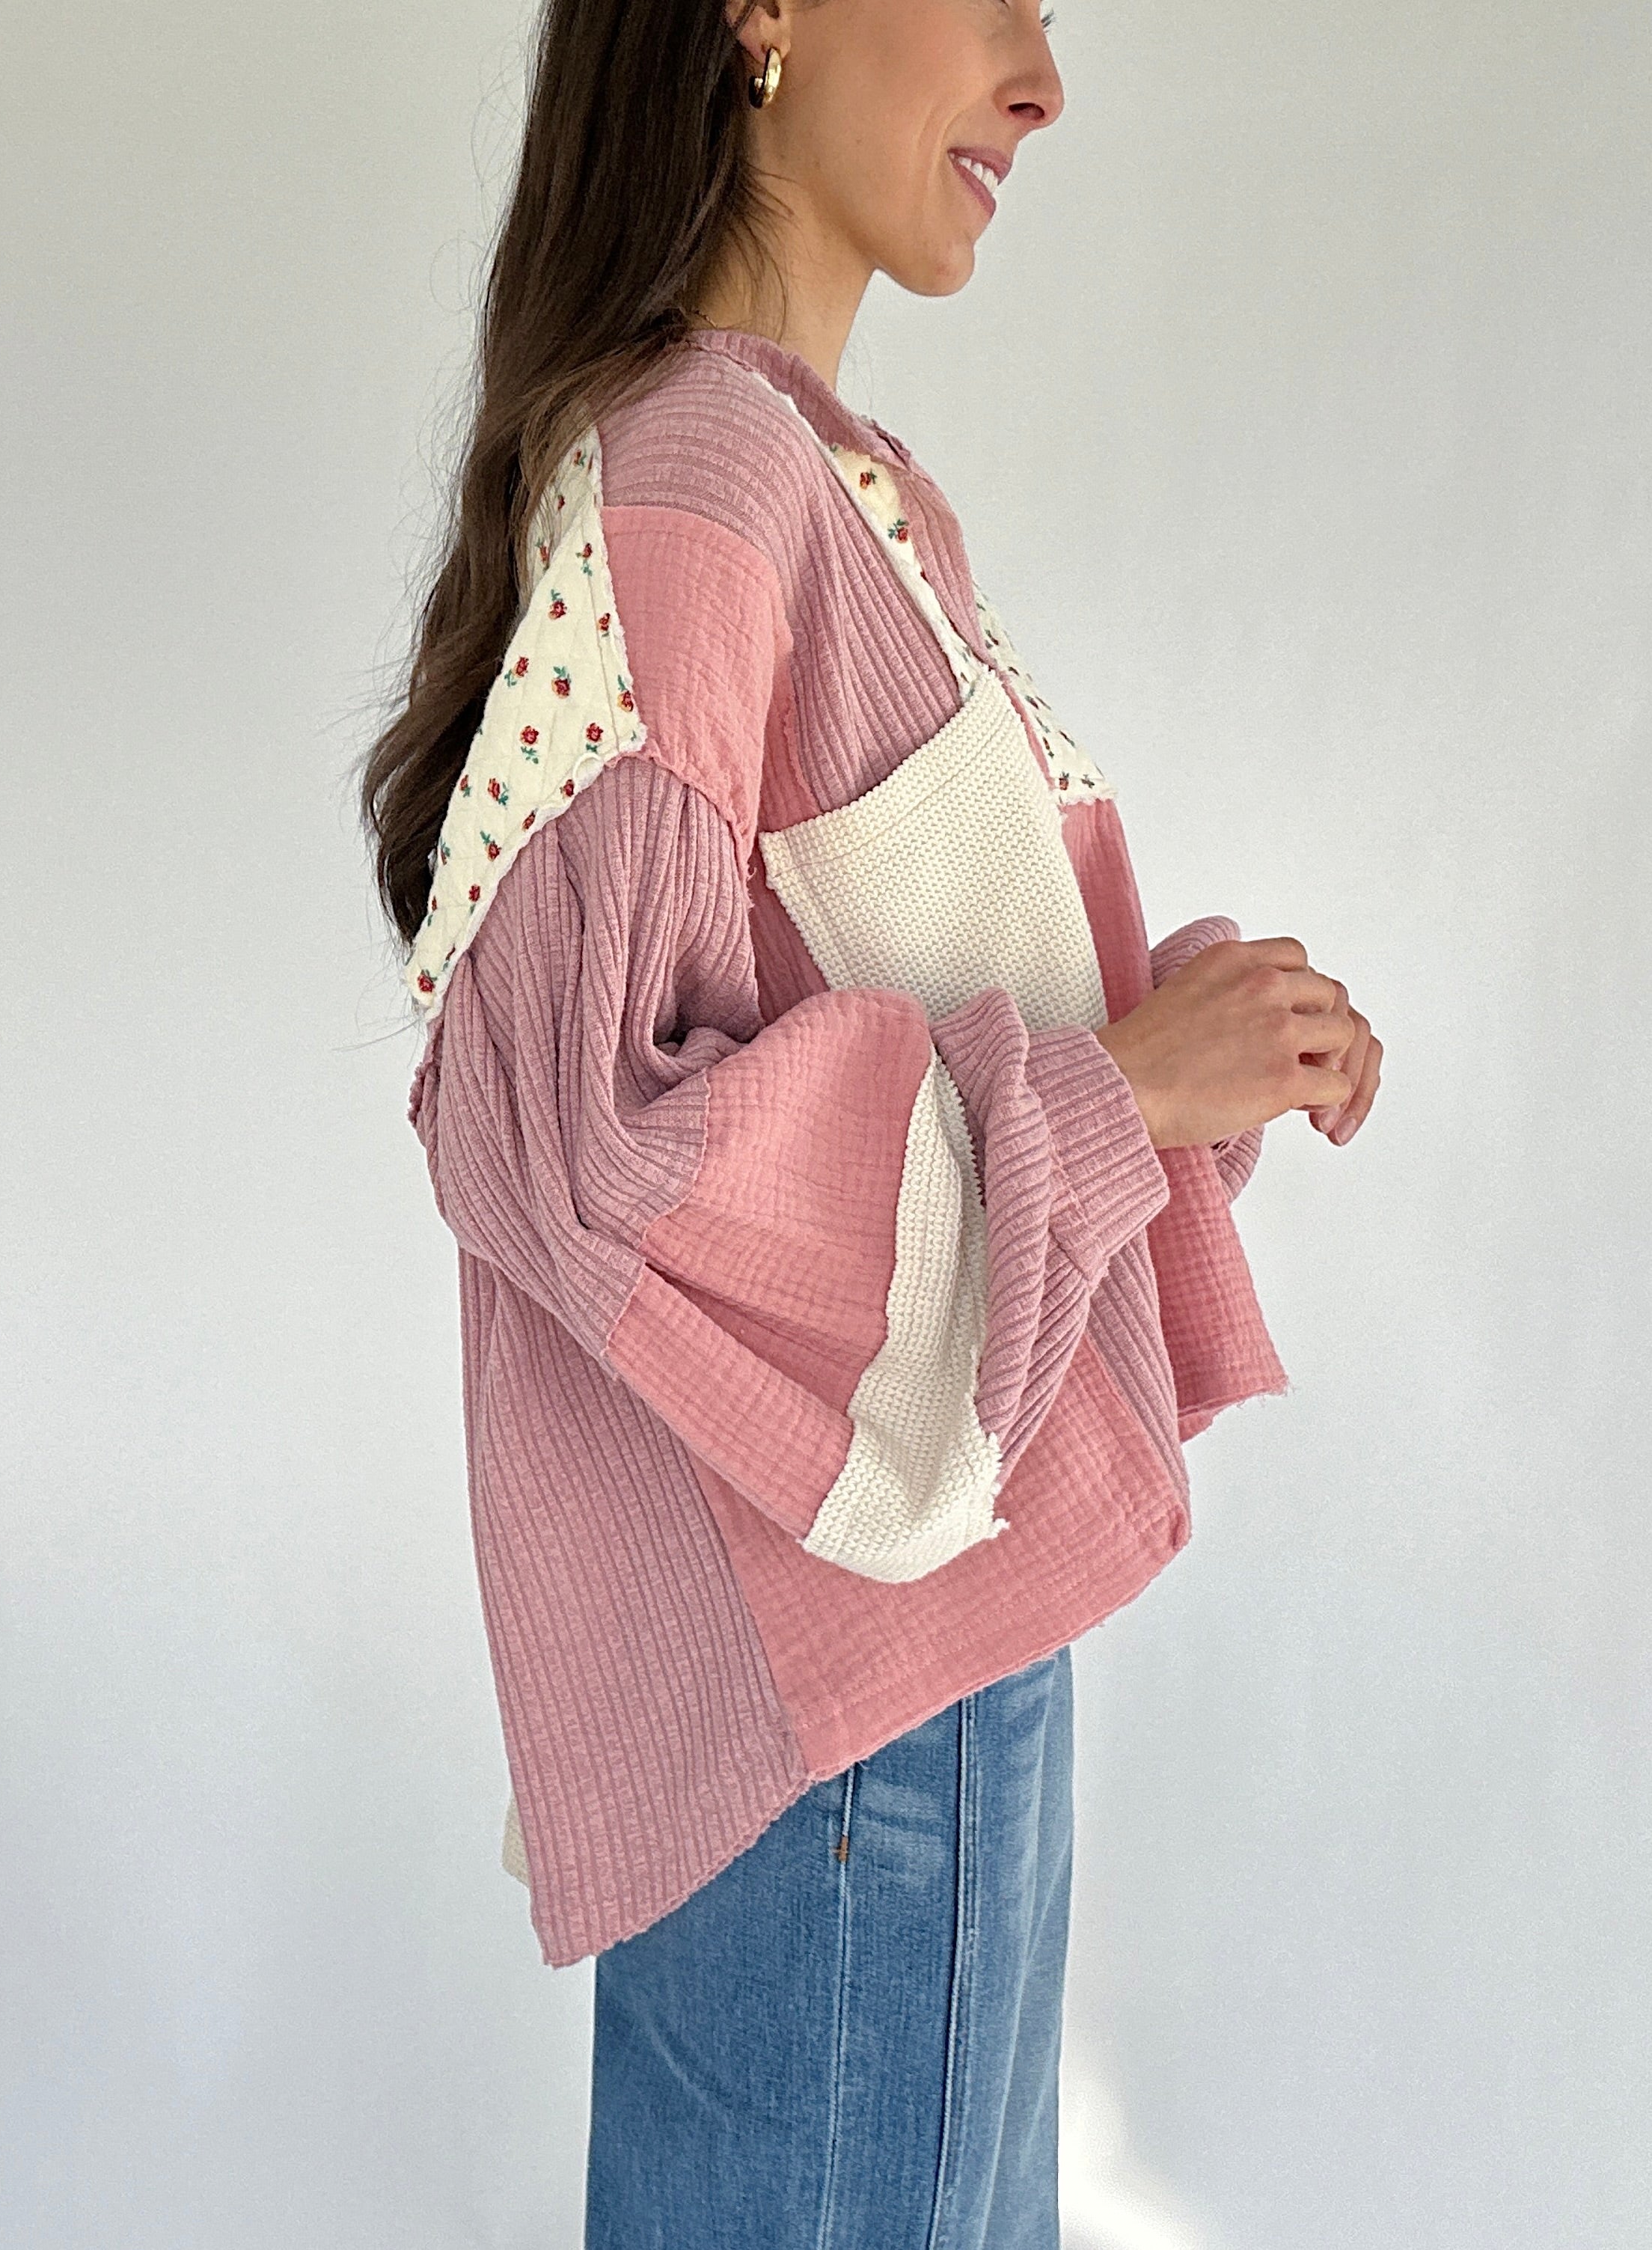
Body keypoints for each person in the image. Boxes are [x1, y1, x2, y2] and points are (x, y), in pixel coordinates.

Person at [358, 1, 1383, 2242]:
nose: (1042, 79)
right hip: (853, 1737)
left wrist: (1193, 1046)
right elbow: (579, 1135)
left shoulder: (839, 490)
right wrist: (1124, 1089)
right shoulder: (705, 484)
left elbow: (865, 1022)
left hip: (912, 1692)